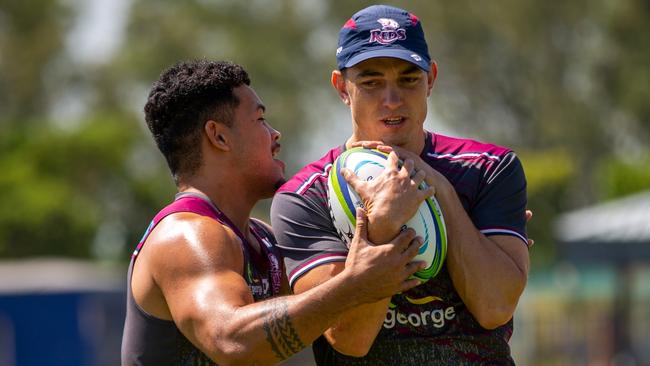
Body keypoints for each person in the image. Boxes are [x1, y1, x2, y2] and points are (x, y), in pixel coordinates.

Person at [120, 60, 430, 365]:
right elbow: (231, 341)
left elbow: (336, 324)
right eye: (260, 120)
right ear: (220, 137)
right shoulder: (185, 236)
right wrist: (353, 285)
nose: (275, 135)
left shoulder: (262, 239)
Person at [270, 5, 530, 365]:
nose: (392, 100)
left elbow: (494, 306)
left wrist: (440, 189)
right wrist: (381, 226)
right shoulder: (304, 196)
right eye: (371, 82)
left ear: (432, 79)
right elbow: (348, 339)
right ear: (342, 87)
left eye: (409, 79)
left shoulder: (488, 169)